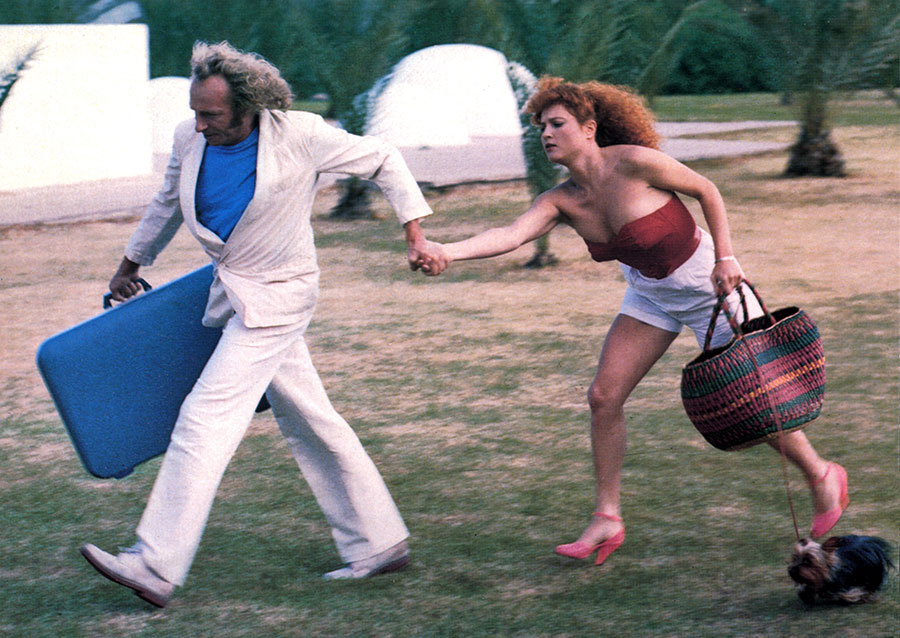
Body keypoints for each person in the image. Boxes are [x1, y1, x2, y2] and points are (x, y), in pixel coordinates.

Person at [419, 77, 849, 566]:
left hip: (708, 285)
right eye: (541, 127)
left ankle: (822, 475)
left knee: (758, 401)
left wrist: (726, 257)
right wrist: (446, 251)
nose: (546, 134)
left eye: (556, 124)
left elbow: (706, 189)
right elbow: (510, 234)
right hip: (650, 295)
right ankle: (607, 516)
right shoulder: (561, 200)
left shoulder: (634, 162)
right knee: (604, 397)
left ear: (588, 129)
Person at [80, 41, 447, 607]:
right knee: (311, 418)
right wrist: (130, 264)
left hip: (282, 296)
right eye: (195, 112)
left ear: (248, 108)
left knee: (204, 419)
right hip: (235, 293)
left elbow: (383, 159)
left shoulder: (300, 134)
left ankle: (154, 563)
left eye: (212, 115)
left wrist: (415, 233)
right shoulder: (188, 137)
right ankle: (380, 542)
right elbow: (166, 203)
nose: (199, 125)